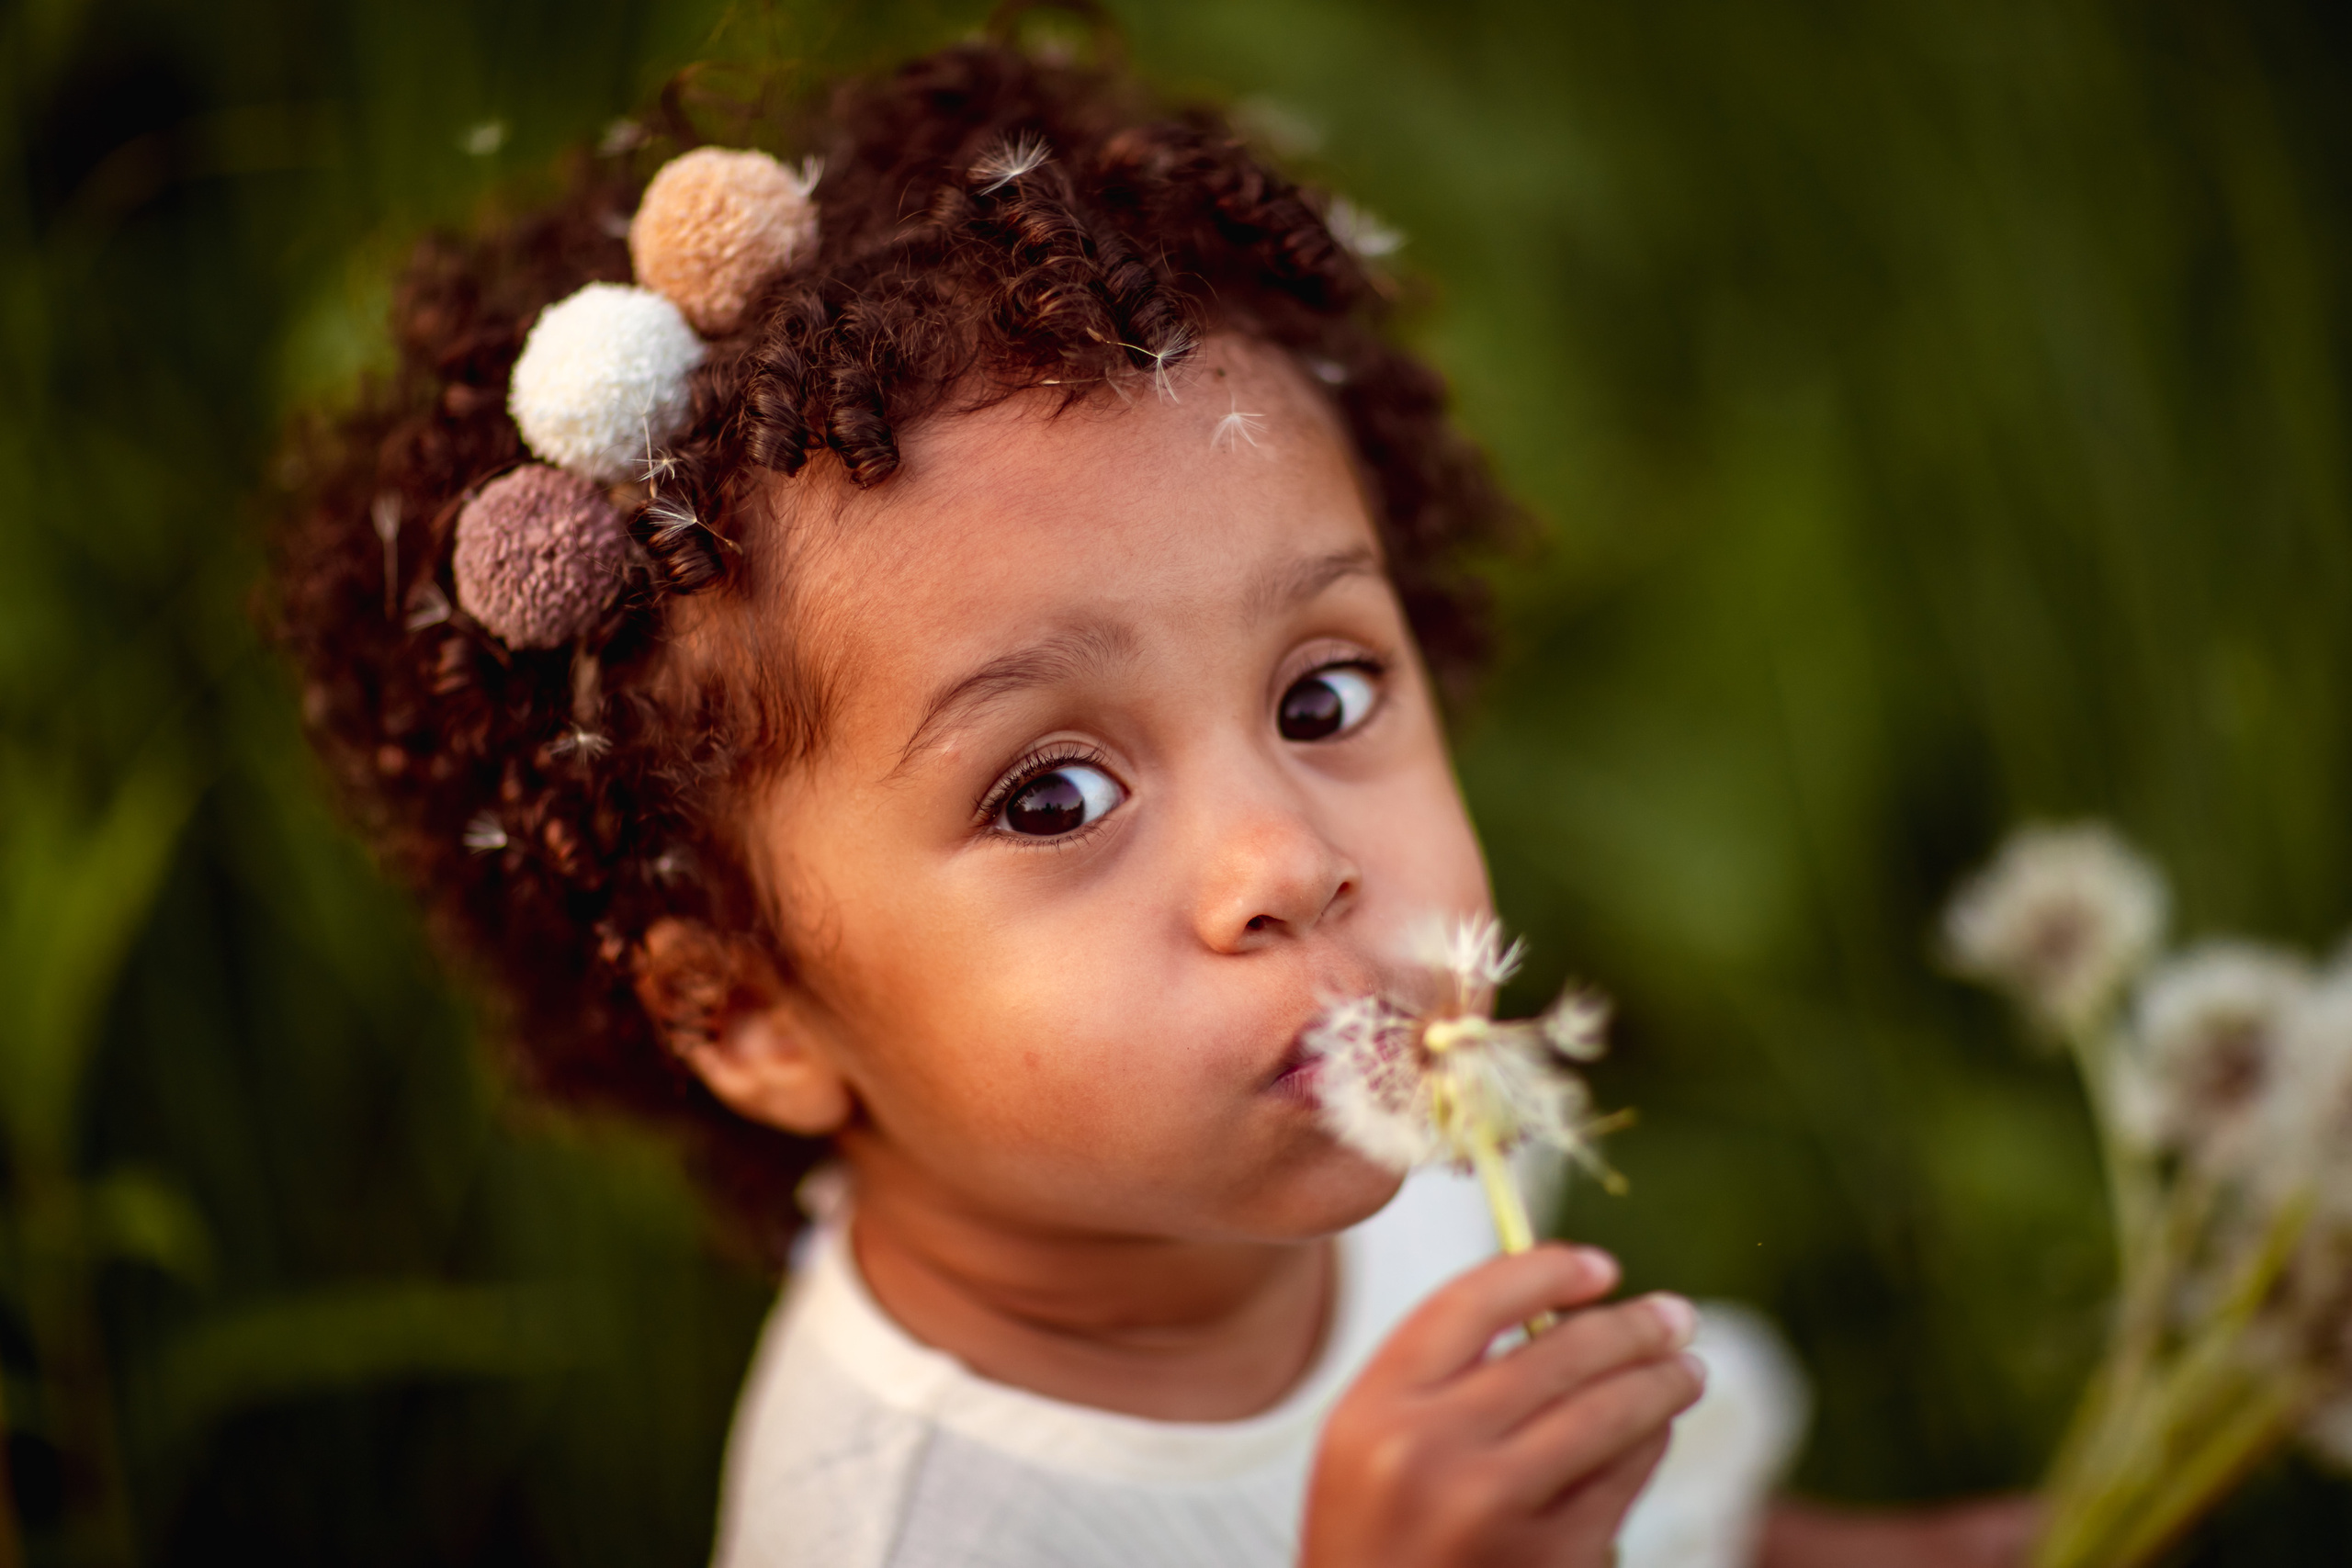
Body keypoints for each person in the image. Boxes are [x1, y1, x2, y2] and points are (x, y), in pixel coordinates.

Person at [274, 22, 2034, 1567]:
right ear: (748, 1014)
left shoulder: (1409, 1137)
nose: (1293, 862)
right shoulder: (913, 1534)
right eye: (1052, 798)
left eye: (1323, 696)